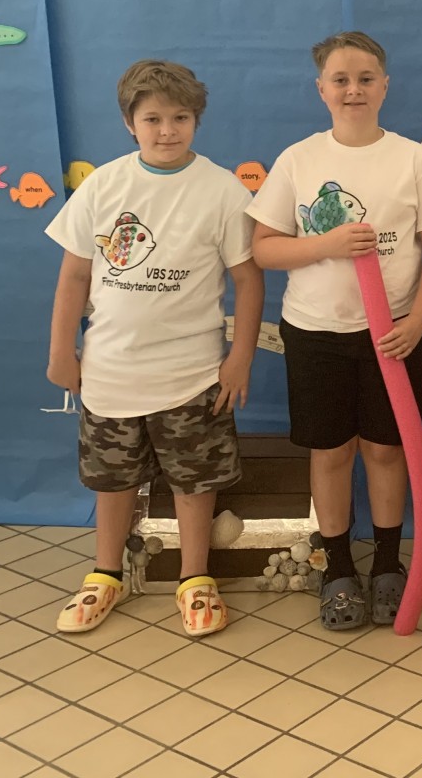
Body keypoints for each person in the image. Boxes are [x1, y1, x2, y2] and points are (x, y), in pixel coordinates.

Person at [248, 31, 422, 630]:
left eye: (366, 78)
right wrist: (328, 244)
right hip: (316, 333)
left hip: (394, 335)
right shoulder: (299, 160)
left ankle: (388, 564)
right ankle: (337, 567)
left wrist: (418, 320)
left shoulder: (412, 160)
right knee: (332, 451)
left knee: (387, 450)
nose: (353, 90)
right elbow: (264, 248)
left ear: (385, 86)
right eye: (340, 80)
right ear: (321, 89)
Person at [46, 60, 262, 638]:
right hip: (110, 370)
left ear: (197, 120)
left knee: (195, 481)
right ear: (129, 122)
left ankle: (196, 579)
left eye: (181, 118)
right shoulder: (104, 185)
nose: (167, 131)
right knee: (113, 479)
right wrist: (61, 349)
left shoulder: (222, 189)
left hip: (192, 372)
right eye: (153, 119)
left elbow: (248, 280)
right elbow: (74, 276)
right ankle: (105, 574)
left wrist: (240, 355)